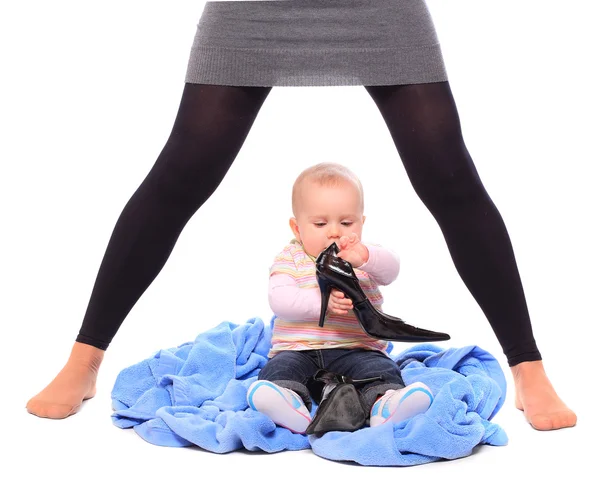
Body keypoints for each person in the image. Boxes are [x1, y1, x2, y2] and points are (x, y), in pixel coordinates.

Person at [26, 0, 575, 431]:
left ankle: (528, 367)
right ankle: (85, 361)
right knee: (181, 174)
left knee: (449, 177)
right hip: (255, 9)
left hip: (379, 9)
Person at [247, 162, 435, 434]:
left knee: (380, 369)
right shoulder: (291, 258)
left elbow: (392, 269)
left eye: (346, 222)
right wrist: (323, 304)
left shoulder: (360, 256)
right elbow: (280, 300)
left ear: (361, 223)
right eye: (320, 223)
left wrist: (366, 257)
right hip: (299, 349)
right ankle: (287, 401)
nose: (334, 232)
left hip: (356, 348)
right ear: (297, 228)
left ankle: (386, 404)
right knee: (281, 369)